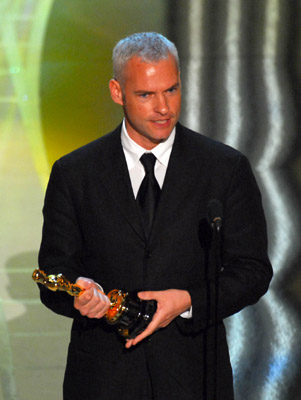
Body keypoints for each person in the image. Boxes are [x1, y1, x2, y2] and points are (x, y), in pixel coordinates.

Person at [38, 32, 272, 400]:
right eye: (146, 95)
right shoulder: (75, 173)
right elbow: (53, 272)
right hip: (103, 380)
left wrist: (187, 300)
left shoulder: (224, 168)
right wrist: (78, 294)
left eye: (172, 90)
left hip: (194, 377)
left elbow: (253, 270)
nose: (164, 108)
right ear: (117, 92)